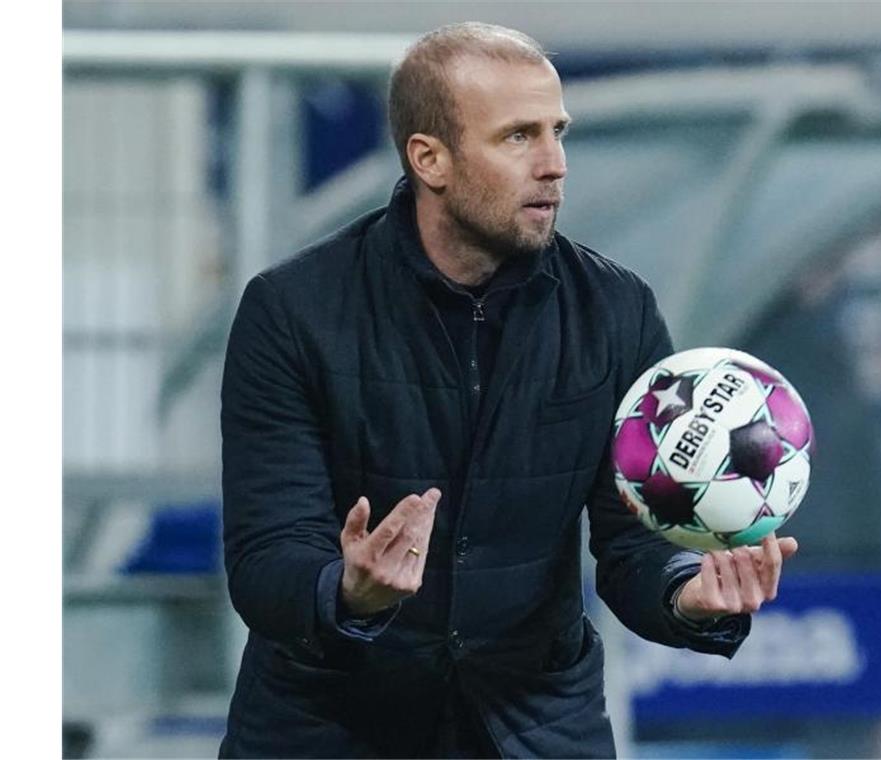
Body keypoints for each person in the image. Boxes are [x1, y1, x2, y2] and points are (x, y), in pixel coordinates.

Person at [218, 22, 798, 759]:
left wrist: (688, 593)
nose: (554, 165)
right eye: (518, 137)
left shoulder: (615, 312)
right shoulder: (293, 311)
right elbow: (267, 558)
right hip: (327, 732)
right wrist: (348, 589)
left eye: (558, 131)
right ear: (430, 159)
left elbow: (633, 543)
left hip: (536, 729)